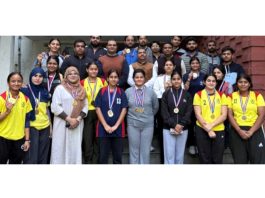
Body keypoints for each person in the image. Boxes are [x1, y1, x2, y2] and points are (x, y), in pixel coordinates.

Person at [50, 66, 88, 164]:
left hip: (77, 124)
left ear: (79, 76)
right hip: (61, 124)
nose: (73, 75)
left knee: (74, 148)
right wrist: (69, 119)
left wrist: (77, 119)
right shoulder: (59, 88)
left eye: (75, 73)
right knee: (60, 148)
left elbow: (85, 107)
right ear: (66, 76)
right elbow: (55, 107)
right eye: (70, 74)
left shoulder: (82, 90)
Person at [227, 74, 265, 164]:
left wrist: (251, 131)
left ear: (249, 84)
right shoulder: (231, 96)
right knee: (240, 161)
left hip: (255, 130)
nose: (243, 84)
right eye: (240, 82)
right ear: (237, 83)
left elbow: (262, 115)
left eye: (245, 82)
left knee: (258, 161)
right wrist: (239, 130)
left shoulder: (257, 96)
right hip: (237, 130)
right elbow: (229, 115)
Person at [94, 69, 128, 164]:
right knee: (103, 157)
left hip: (118, 129)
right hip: (102, 129)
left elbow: (124, 110)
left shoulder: (121, 92)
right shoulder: (102, 91)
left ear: (118, 79)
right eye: (111, 77)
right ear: (107, 79)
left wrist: (116, 126)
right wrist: (105, 126)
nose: (113, 79)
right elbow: (97, 108)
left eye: (115, 77)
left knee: (117, 158)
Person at [126, 69, 159, 164]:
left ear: (145, 79)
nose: (139, 79)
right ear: (133, 79)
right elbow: (125, 108)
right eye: (137, 77)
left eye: (141, 77)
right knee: (133, 150)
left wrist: (148, 116)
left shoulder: (151, 92)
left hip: (147, 125)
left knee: (145, 151)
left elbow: (155, 107)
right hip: (132, 124)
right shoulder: (128, 92)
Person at [193, 74, 228, 164]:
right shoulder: (198, 95)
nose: (211, 83)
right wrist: (208, 130)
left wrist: (211, 126)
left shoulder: (222, 95)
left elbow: (224, 115)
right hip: (202, 129)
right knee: (204, 158)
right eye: (208, 80)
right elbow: (198, 115)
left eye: (213, 81)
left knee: (217, 158)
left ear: (216, 83)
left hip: (218, 129)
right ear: (204, 82)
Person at [161, 71, 193, 164]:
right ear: (171, 80)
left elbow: (189, 111)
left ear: (181, 80)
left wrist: (181, 124)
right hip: (168, 128)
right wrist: (174, 125)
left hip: (183, 128)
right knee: (169, 155)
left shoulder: (187, 94)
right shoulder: (166, 94)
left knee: (180, 155)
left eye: (178, 79)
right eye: (174, 79)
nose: (176, 81)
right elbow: (164, 112)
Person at [0, 72, 32, 164]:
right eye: (13, 81)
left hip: (19, 139)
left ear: (22, 83)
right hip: (3, 138)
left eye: (19, 81)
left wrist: (27, 140)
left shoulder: (26, 99)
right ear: (8, 83)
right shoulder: (2, 98)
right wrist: (7, 112)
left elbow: (27, 121)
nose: (16, 83)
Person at [20, 68, 50, 164]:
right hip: (31, 126)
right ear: (30, 77)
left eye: (40, 76)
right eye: (35, 76)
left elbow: (47, 110)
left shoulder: (45, 92)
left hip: (45, 126)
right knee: (31, 157)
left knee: (43, 155)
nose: (38, 78)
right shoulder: (24, 91)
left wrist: (51, 127)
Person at [81, 62, 108, 164]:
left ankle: (96, 161)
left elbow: (106, 97)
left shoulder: (103, 81)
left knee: (98, 138)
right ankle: (88, 161)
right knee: (87, 138)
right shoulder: (82, 82)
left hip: (100, 112)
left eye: (95, 69)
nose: (93, 71)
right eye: (91, 69)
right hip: (87, 112)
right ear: (87, 70)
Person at [183, 57, 206, 155]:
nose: (195, 65)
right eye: (193, 63)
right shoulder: (185, 76)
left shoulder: (204, 75)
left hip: (202, 104)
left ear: (199, 64)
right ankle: (191, 145)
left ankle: (200, 145)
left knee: (201, 124)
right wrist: (189, 78)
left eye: (197, 63)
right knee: (190, 124)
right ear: (190, 65)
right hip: (189, 104)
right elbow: (184, 89)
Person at [153, 60, 175, 163]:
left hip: (176, 109)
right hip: (163, 108)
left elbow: (182, 91)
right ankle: (163, 160)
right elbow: (155, 92)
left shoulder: (177, 78)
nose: (168, 66)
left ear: (174, 67)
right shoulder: (159, 79)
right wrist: (165, 91)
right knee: (163, 134)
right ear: (164, 67)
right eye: (166, 65)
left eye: (170, 65)